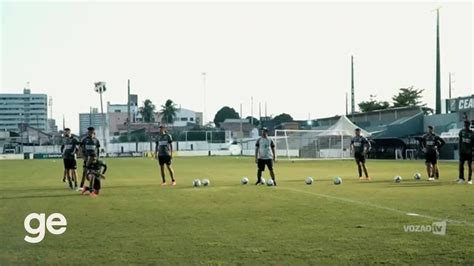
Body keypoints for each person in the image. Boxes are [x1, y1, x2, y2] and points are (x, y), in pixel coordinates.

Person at [458, 120, 473, 184]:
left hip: (469, 152)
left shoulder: (472, 133)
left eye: (466, 124)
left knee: (470, 166)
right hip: (462, 152)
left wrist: (472, 151)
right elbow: (460, 142)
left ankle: (469, 179)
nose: (465, 125)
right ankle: (461, 178)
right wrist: (459, 150)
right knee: (461, 165)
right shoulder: (461, 132)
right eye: (464, 124)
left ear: (469, 125)